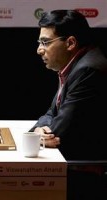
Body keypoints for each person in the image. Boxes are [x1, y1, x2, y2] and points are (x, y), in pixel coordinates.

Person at [29, 10, 107, 200]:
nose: (39, 49)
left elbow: (59, 132)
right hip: (74, 164)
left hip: (86, 172)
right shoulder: (74, 64)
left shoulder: (89, 69)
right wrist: (40, 130)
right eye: (40, 43)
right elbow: (51, 112)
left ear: (70, 43)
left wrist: (39, 134)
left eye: (45, 42)